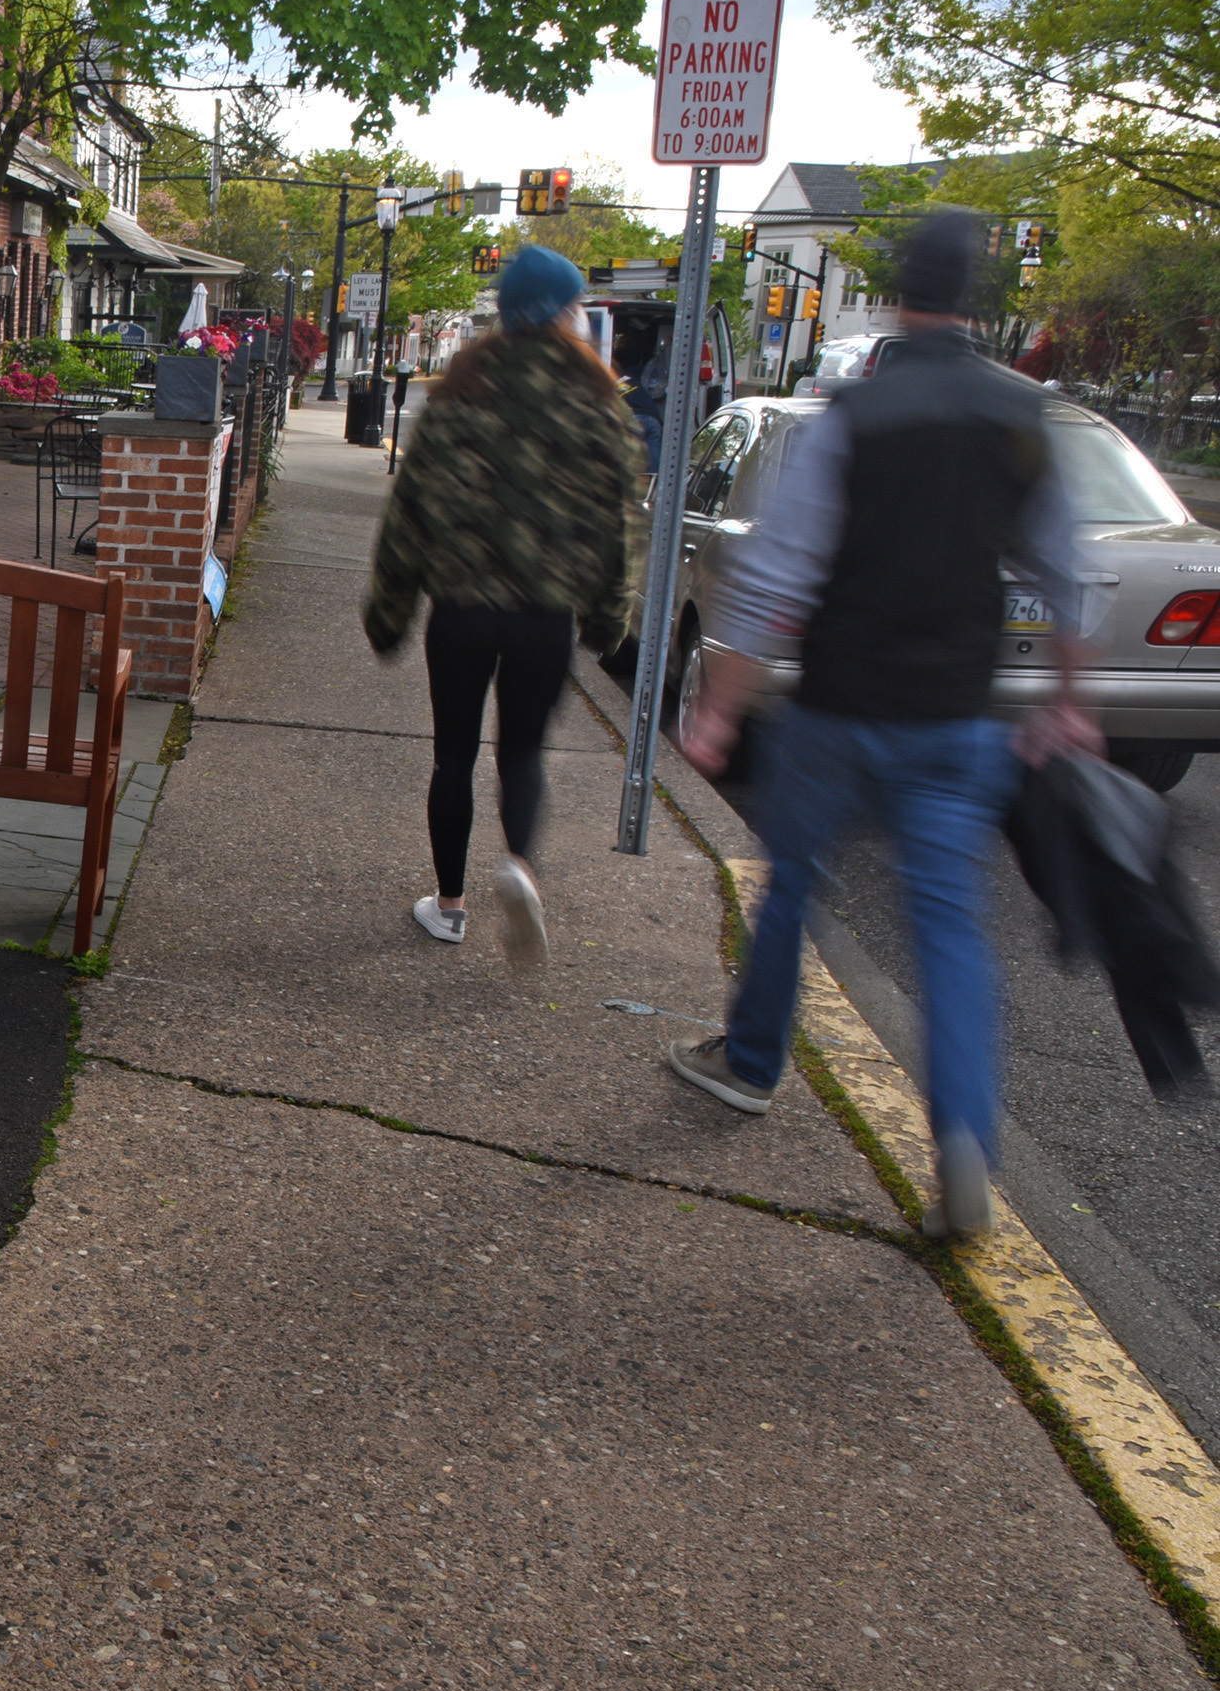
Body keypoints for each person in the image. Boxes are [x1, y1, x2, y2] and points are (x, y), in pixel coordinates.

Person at [669, 208, 1098, 1237]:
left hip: (840, 706)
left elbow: (779, 573)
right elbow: (1068, 571)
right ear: (976, 301)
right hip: (958, 714)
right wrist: (1068, 698)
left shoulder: (851, 419)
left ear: (898, 291)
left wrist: (721, 707)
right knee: (949, 924)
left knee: (794, 890)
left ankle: (751, 1060)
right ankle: (960, 1136)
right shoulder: (1023, 418)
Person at [364, 244, 647, 960]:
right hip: (543, 619)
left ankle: (450, 905)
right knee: (523, 753)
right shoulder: (599, 405)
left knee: (452, 754)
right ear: (565, 313)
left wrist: (389, 611)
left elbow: (411, 513)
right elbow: (619, 524)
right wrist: (610, 617)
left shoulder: (459, 393)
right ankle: (519, 867)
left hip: (460, 611)